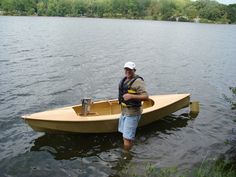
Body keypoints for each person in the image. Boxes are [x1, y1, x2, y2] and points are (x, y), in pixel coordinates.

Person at [118, 61, 149, 151]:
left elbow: (146, 97)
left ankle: (127, 156)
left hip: (133, 113)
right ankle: (130, 150)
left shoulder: (138, 81)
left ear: (134, 70)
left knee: (127, 138)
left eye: (130, 70)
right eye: (126, 69)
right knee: (125, 135)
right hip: (124, 111)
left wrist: (131, 96)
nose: (128, 71)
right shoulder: (125, 80)